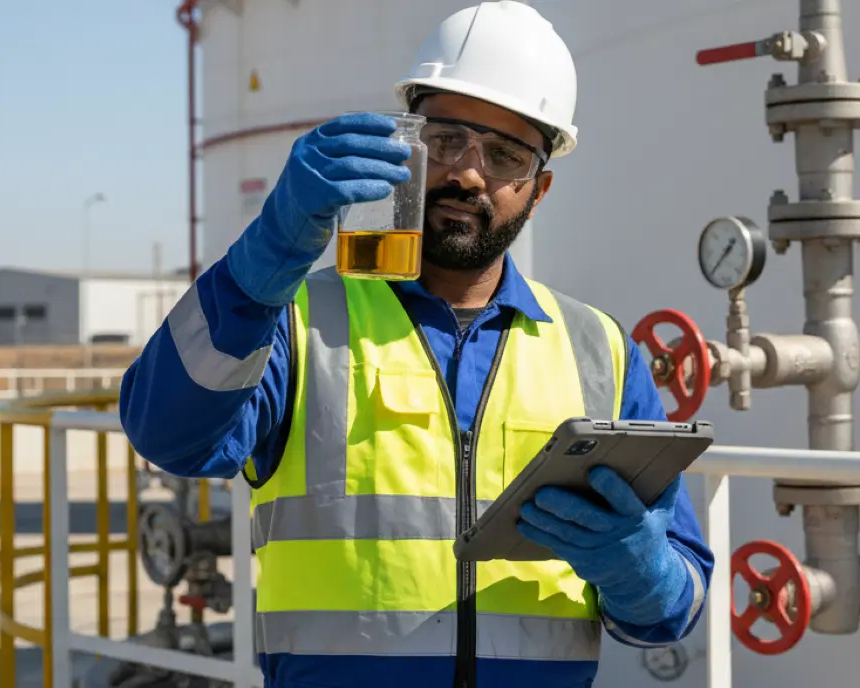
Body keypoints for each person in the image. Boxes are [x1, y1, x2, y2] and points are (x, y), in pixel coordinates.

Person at [119, 2, 713, 686]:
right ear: (406, 145)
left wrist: (638, 570)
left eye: (505, 155)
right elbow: (167, 433)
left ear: (538, 189)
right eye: (447, 138)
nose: (467, 172)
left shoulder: (600, 348)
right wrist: (265, 256)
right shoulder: (297, 316)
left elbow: (672, 611)